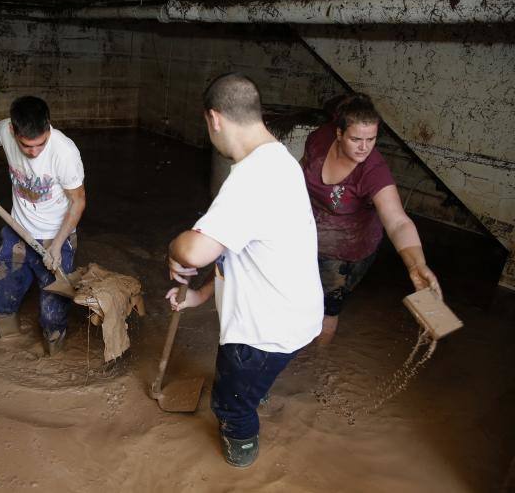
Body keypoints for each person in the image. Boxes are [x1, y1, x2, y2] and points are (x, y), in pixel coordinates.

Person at [166, 73, 323, 467]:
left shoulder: (252, 179)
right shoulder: (279, 160)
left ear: (214, 119)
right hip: (294, 317)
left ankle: (241, 448)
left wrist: (173, 248)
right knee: (252, 381)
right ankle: (254, 391)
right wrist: (201, 296)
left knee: (229, 404)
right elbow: (242, 254)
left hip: (262, 333)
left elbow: (197, 252)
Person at [301, 94, 442, 343]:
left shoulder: (373, 171)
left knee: (326, 308)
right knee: (297, 296)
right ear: (339, 133)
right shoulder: (319, 139)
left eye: (371, 139)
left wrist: (416, 264)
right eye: (356, 139)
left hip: (347, 251)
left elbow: (398, 221)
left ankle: (316, 364)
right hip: (309, 233)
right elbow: (302, 171)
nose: (364, 147)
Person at [0, 96, 85, 355]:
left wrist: (58, 245)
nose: (34, 152)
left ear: (48, 127)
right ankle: (10, 349)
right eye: (27, 146)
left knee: (53, 313)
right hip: (17, 230)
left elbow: (78, 202)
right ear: (13, 131)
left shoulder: (65, 153)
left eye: (41, 144)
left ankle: (54, 358)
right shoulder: (4, 130)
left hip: (56, 236)